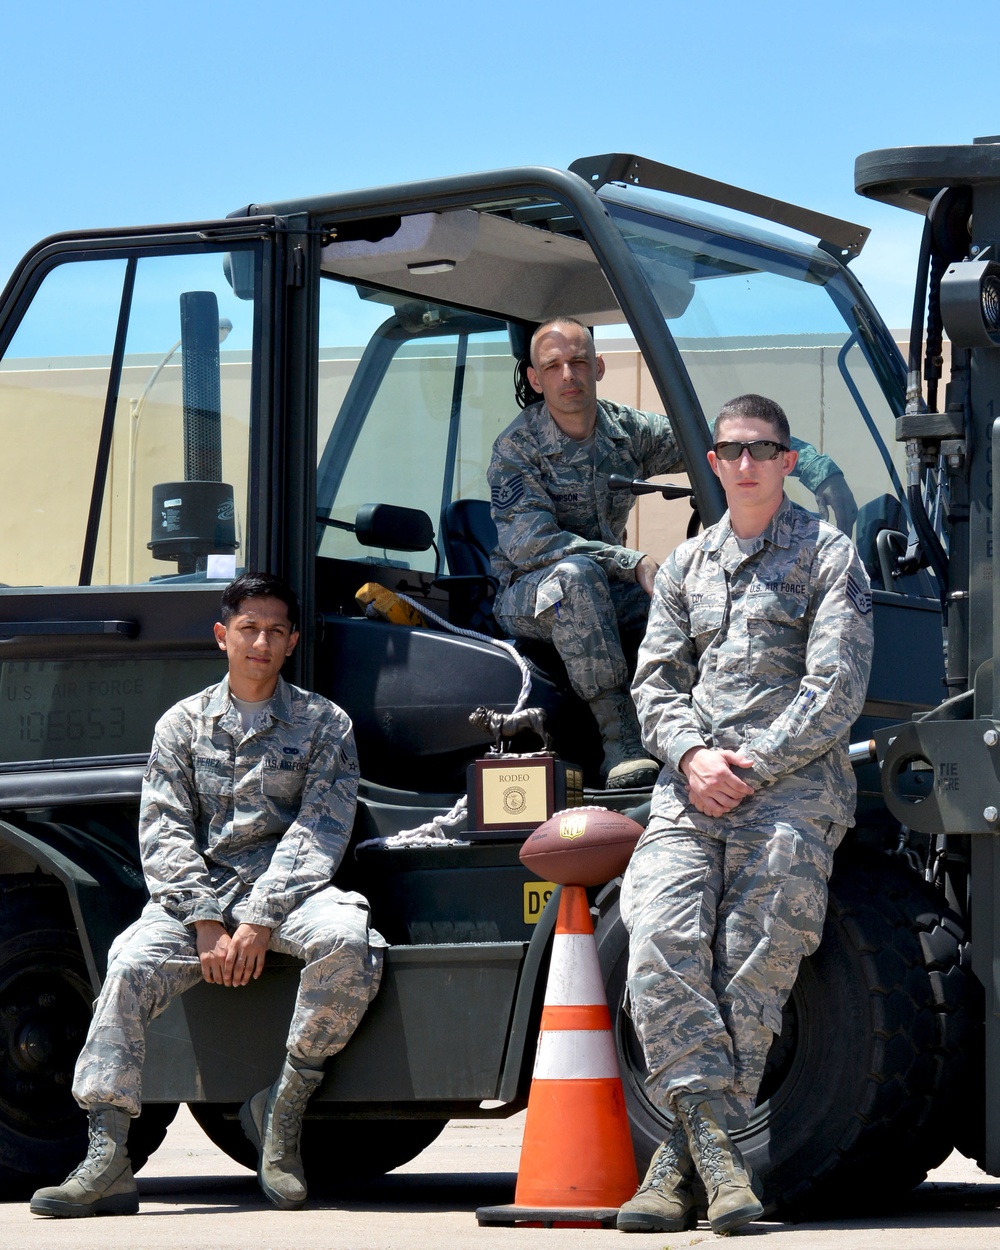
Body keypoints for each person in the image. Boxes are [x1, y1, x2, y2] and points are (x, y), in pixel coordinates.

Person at [30, 572, 384, 1218]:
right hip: (200, 900)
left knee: (348, 941)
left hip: (290, 894)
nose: (262, 642)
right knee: (130, 962)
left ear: (292, 641)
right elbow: (162, 833)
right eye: (249, 628)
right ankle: (108, 1155)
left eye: (276, 630)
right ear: (224, 636)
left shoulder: (323, 723)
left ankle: (281, 1115)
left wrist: (258, 918)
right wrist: (204, 921)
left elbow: (319, 832)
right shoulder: (182, 724)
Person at [615, 394, 874, 1236]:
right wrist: (693, 758)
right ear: (716, 464)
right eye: (733, 451)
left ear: (787, 460)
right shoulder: (687, 566)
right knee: (657, 941)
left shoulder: (830, 557)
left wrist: (750, 766)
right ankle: (713, 1155)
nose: (749, 463)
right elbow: (653, 686)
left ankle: (677, 1166)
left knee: (751, 966)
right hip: (690, 792)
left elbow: (835, 691)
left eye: (764, 449)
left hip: (792, 792)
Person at [488, 318, 856, 789]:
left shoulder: (625, 431)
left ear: (598, 366)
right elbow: (531, 544)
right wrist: (631, 562)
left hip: (607, 586)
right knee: (574, 580)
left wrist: (814, 466)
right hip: (529, 594)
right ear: (536, 379)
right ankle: (620, 740)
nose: (568, 376)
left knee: (684, 595)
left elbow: (717, 442)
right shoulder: (516, 449)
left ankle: (706, 740)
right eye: (553, 366)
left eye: (578, 362)